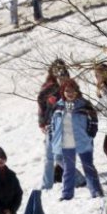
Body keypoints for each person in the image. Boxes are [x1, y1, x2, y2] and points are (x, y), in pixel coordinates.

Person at [50, 79, 103, 200]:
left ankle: (96, 191)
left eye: (72, 91)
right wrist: (53, 136)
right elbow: (52, 123)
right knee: (68, 169)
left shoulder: (84, 104)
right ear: (63, 92)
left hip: (82, 140)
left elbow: (93, 121)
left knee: (88, 166)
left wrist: (90, 134)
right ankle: (67, 194)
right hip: (66, 142)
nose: (70, 93)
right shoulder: (58, 106)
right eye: (67, 91)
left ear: (77, 91)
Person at [38, 59, 70, 191]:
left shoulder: (69, 87)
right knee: (50, 157)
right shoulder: (49, 87)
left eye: (62, 71)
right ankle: (47, 185)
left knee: (57, 156)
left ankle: (79, 179)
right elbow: (41, 105)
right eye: (57, 71)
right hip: (50, 125)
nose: (60, 74)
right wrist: (42, 122)